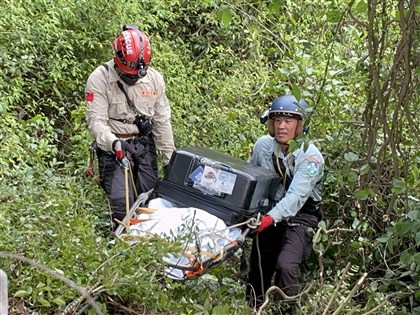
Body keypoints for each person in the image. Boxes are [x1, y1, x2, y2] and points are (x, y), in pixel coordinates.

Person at [85, 25, 175, 225]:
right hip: (113, 146)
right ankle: (122, 244)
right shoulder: (99, 79)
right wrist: (113, 143)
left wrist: (170, 161)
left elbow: (162, 121)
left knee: (151, 202)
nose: (133, 78)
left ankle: (151, 245)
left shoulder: (154, 80)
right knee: (121, 204)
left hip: (142, 144)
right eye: (129, 74)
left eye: (137, 75)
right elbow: (96, 121)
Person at [246, 95, 324, 308]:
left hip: (302, 216)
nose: (282, 126)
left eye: (288, 121)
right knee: (260, 262)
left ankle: (286, 309)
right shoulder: (263, 146)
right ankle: (253, 306)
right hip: (270, 210)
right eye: (277, 120)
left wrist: (269, 219)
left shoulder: (311, 157)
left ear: (299, 126)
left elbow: (296, 197)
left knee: (286, 266)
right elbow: (249, 177)